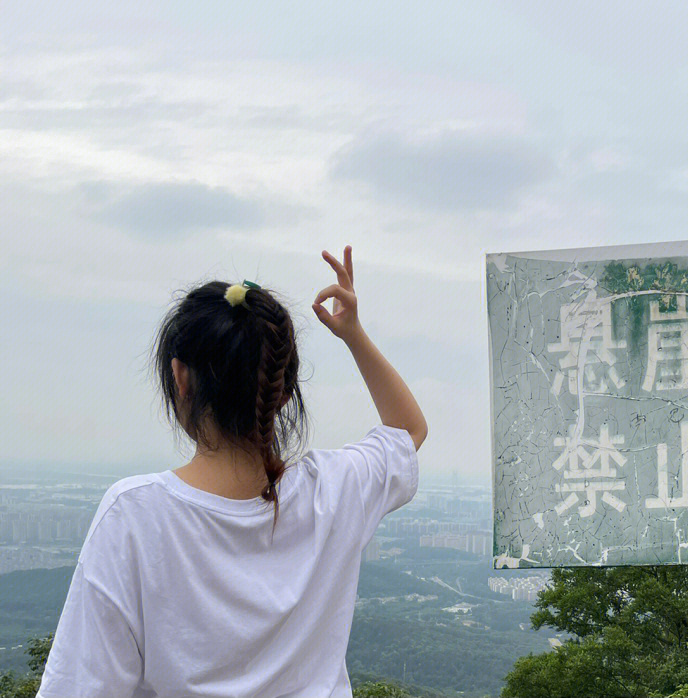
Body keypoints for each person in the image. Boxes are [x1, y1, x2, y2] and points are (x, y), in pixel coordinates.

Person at [37, 246, 427, 697]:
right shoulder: (334, 489)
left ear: (180, 378)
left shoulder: (134, 515)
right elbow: (408, 430)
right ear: (283, 392)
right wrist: (353, 334)